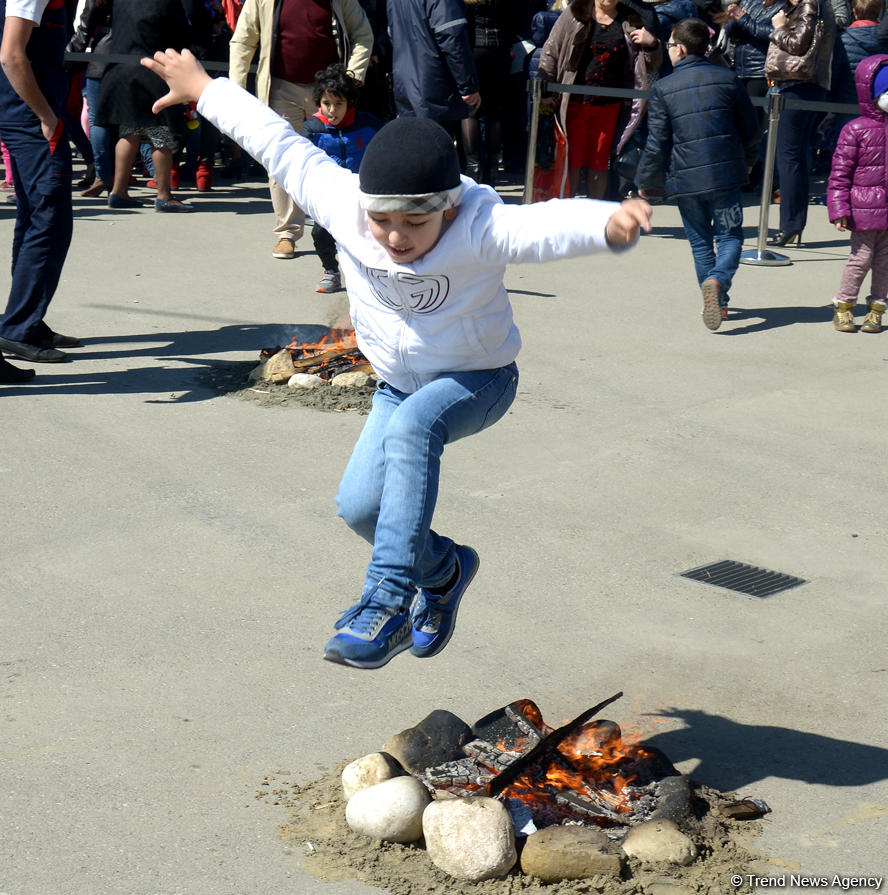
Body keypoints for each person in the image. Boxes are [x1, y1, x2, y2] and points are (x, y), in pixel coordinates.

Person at [141, 47, 653, 669]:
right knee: (359, 509)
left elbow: (540, 226)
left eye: (414, 223)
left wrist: (608, 222)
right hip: (397, 385)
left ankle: (385, 601)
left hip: (478, 378)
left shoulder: (479, 227)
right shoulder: (345, 205)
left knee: (416, 430)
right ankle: (444, 572)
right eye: (383, 221)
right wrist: (205, 88)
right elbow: (280, 144)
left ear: (448, 207)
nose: (394, 237)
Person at [636, 18, 759, 331]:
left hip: (686, 179)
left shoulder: (664, 87)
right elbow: (750, 127)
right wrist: (749, 159)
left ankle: (716, 293)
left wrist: (647, 182)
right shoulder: (728, 78)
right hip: (726, 175)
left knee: (701, 244)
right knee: (730, 237)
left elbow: (657, 142)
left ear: (679, 48)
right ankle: (718, 285)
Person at [229, 0, 373, 259]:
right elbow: (243, 40)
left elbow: (363, 34)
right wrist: (236, 89)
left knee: (337, 159)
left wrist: (350, 79)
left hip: (329, 95)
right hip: (282, 88)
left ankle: (340, 228)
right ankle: (287, 232)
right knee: (283, 159)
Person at [0, 0, 79, 378]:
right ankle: (19, 327)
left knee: (34, 218)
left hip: (24, 114)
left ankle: (27, 317)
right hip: (30, 118)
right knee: (49, 223)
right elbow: (11, 55)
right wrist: (46, 115)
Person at [537, 0, 662, 199]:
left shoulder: (631, 20)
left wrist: (652, 44)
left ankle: (594, 221)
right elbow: (551, 50)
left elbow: (651, 66)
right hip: (573, 103)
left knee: (599, 164)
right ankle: (567, 220)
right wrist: (544, 88)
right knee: (573, 162)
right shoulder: (574, 13)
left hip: (609, 106)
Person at [96, 0, 211, 212]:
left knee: (129, 131)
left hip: (120, 68)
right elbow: (181, 35)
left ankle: (118, 191)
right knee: (161, 133)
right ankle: (164, 195)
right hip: (153, 71)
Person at [301, 62, 380, 293]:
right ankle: (331, 271)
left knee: (368, 234)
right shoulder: (312, 128)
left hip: (362, 192)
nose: (332, 110)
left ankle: (370, 275)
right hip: (329, 194)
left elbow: (387, 145)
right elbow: (303, 162)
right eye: (327, 104)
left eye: (338, 104)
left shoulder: (367, 123)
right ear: (319, 103)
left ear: (350, 103)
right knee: (320, 233)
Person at [765, 0, 836, 247]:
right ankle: (793, 224)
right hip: (804, 85)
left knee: (788, 156)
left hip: (799, 84)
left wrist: (779, 27)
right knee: (793, 156)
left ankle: (791, 225)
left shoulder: (809, 4)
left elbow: (797, 44)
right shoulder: (810, 4)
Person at [826, 54, 888, 333]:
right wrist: (839, 210)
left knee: (885, 264)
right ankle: (844, 306)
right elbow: (839, 174)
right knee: (860, 260)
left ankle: (877, 309)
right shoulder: (855, 130)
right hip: (863, 212)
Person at [385, 0, 481, 125]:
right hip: (436, 89)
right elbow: (452, 38)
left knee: (417, 139)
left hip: (406, 86)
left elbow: (392, 34)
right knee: (437, 140)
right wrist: (468, 86)